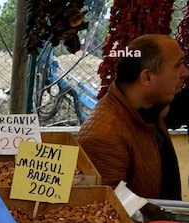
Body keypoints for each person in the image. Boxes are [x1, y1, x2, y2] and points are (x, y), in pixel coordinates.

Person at [78, 34, 188, 200]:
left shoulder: (149, 106)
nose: (185, 72)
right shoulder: (104, 136)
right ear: (147, 77)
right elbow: (109, 213)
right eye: (178, 65)